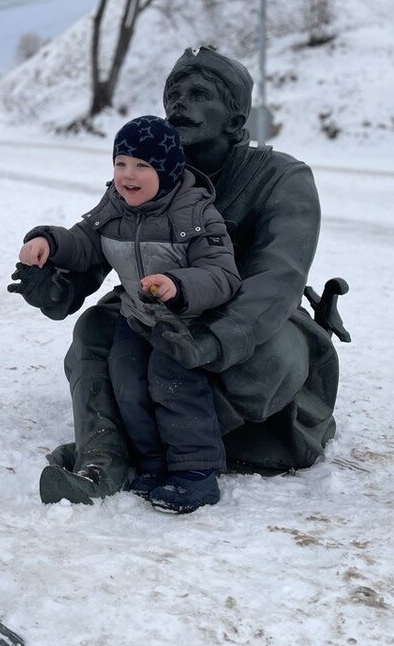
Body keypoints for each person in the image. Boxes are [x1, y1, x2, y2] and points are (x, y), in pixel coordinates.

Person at [8, 46, 341, 505]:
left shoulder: (282, 178)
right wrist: (54, 285)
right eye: (173, 92)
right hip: (158, 309)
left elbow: (276, 282)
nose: (179, 103)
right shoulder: (149, 172)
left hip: (250, 319)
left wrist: (214, 340)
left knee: (273, 357)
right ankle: (104, 455)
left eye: (199, 93)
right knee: (96, 331)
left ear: (235, 119)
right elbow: (100, 246)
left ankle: (165, 451)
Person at [18, 116, 241, 512]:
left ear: (168, 170)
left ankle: (196, 473)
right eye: (121, 163)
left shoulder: (196, 213)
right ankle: (152, 464)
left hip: (185, 322)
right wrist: (48, 242)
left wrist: (179, 285)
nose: (128, 175)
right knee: (126, 380)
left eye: (142, 166)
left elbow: (222, 274)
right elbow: (84, 242)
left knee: (172, 383)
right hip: (137, 317)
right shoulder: (114, 207)